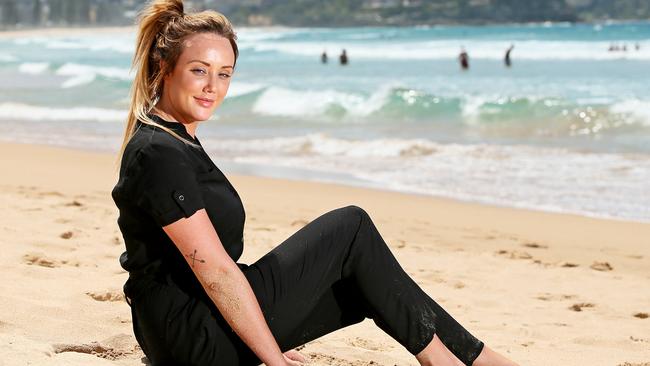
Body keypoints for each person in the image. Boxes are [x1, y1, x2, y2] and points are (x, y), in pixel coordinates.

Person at [112, 1, 520, 365]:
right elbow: (216, 272)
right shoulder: (159, 152)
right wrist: (271, 356)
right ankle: (454, 361)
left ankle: (475, 358)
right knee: (350, 227)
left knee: (365, 279)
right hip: (191, 337)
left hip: (187, 328)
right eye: (199, 71)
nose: (212, 87)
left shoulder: (175, 140)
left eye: (224, 74)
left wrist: (265, 337)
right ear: (165, 68)